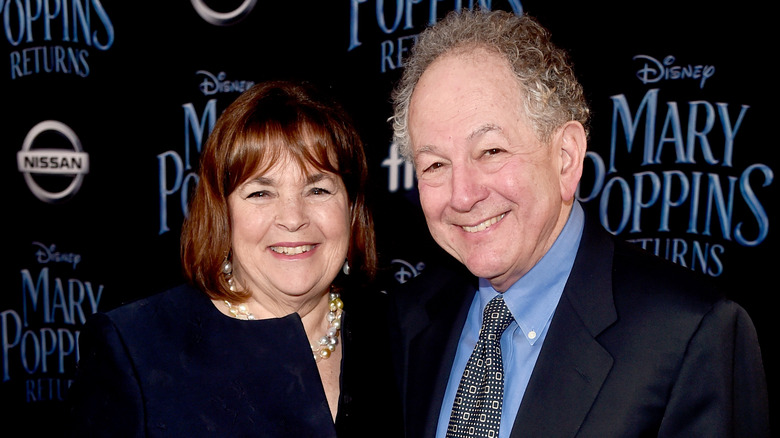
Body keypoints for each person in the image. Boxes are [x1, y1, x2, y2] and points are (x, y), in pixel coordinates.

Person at [388, 9, 769, 438]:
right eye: (435, 164)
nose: (462, 195)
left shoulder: (690, 336)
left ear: (566, 157)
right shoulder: (405, 321)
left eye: (491, 152)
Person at [65, 80, 402, 437]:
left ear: (351, 208)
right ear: (221, 213)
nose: (292, 218)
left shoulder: (399, 337)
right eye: (260, 192)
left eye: (317, 189)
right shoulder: (137, 349)